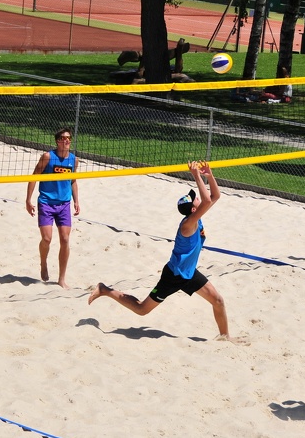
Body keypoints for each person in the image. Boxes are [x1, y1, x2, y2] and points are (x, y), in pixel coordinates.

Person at [88, 161, 231, 339]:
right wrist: (196, 175)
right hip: (174, 275)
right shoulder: (188, 224)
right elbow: (208, 200)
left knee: (218, 300)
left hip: (188, 273)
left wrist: (209, 176)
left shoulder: (196, 217)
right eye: (195, 199)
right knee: (141, 309)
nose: (199, 198)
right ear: (194, 209)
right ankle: (105, 290)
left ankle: (225, 337)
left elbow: (215, 196)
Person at [26, 128, 80, 288]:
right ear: (57, 141)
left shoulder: (73, 160)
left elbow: (73, 181)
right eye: (63, 138)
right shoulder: (48, 157)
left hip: (64, 205)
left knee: (65, 239)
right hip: (46, 203)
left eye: (69, 138)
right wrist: (28, 200)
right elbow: (34, 176)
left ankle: (61, 279)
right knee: (47, 239)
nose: (67, 141)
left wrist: (76, 200)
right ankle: (43, 263)